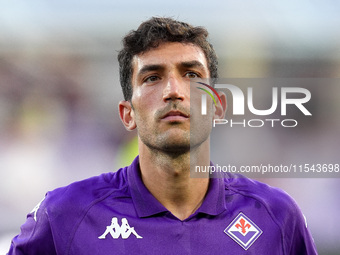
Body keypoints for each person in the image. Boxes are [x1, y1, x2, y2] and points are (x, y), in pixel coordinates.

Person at [8, 17, 317, 254]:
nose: (173, 91)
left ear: (218, 107)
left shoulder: (275, 215)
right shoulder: (65, 214)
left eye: (192, 75)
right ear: (127, 114)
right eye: (153, 77)